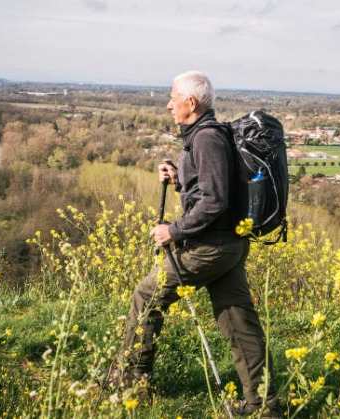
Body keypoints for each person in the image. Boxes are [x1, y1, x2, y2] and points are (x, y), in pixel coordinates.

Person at [111, 71, 280, 417]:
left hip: (212, 247)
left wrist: (173, 231)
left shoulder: (206, 139)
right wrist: (178, 180)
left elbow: (214, 202)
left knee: (147, 295)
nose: (169, 103)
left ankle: (132, 381)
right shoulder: (206, 136)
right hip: (228, 244)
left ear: (192, 102)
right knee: (238, 321)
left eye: (173, 97)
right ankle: (265, 406)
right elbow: (210, 190)